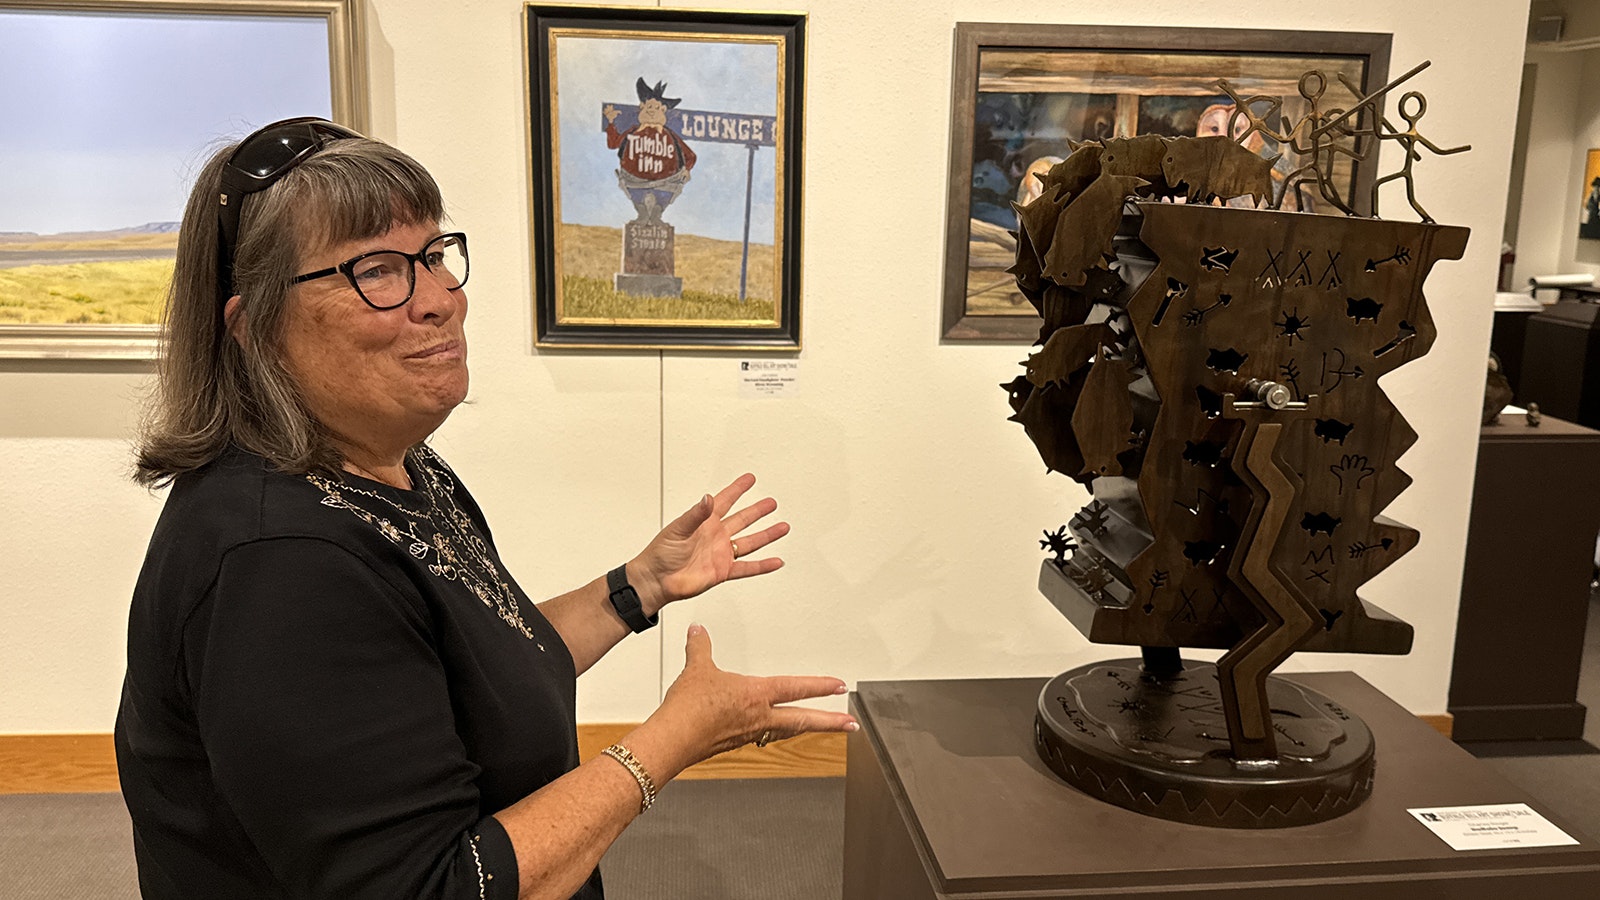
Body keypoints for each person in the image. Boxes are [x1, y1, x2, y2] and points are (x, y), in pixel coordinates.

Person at [114, 117, 856, 900]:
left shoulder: (391, 466)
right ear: (255, 329)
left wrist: (636, 586)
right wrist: (670, 741)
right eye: (376, 269)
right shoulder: (279, 564)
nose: (439, 300)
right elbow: (431, 888)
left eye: (435, 255)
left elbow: (474, 670)